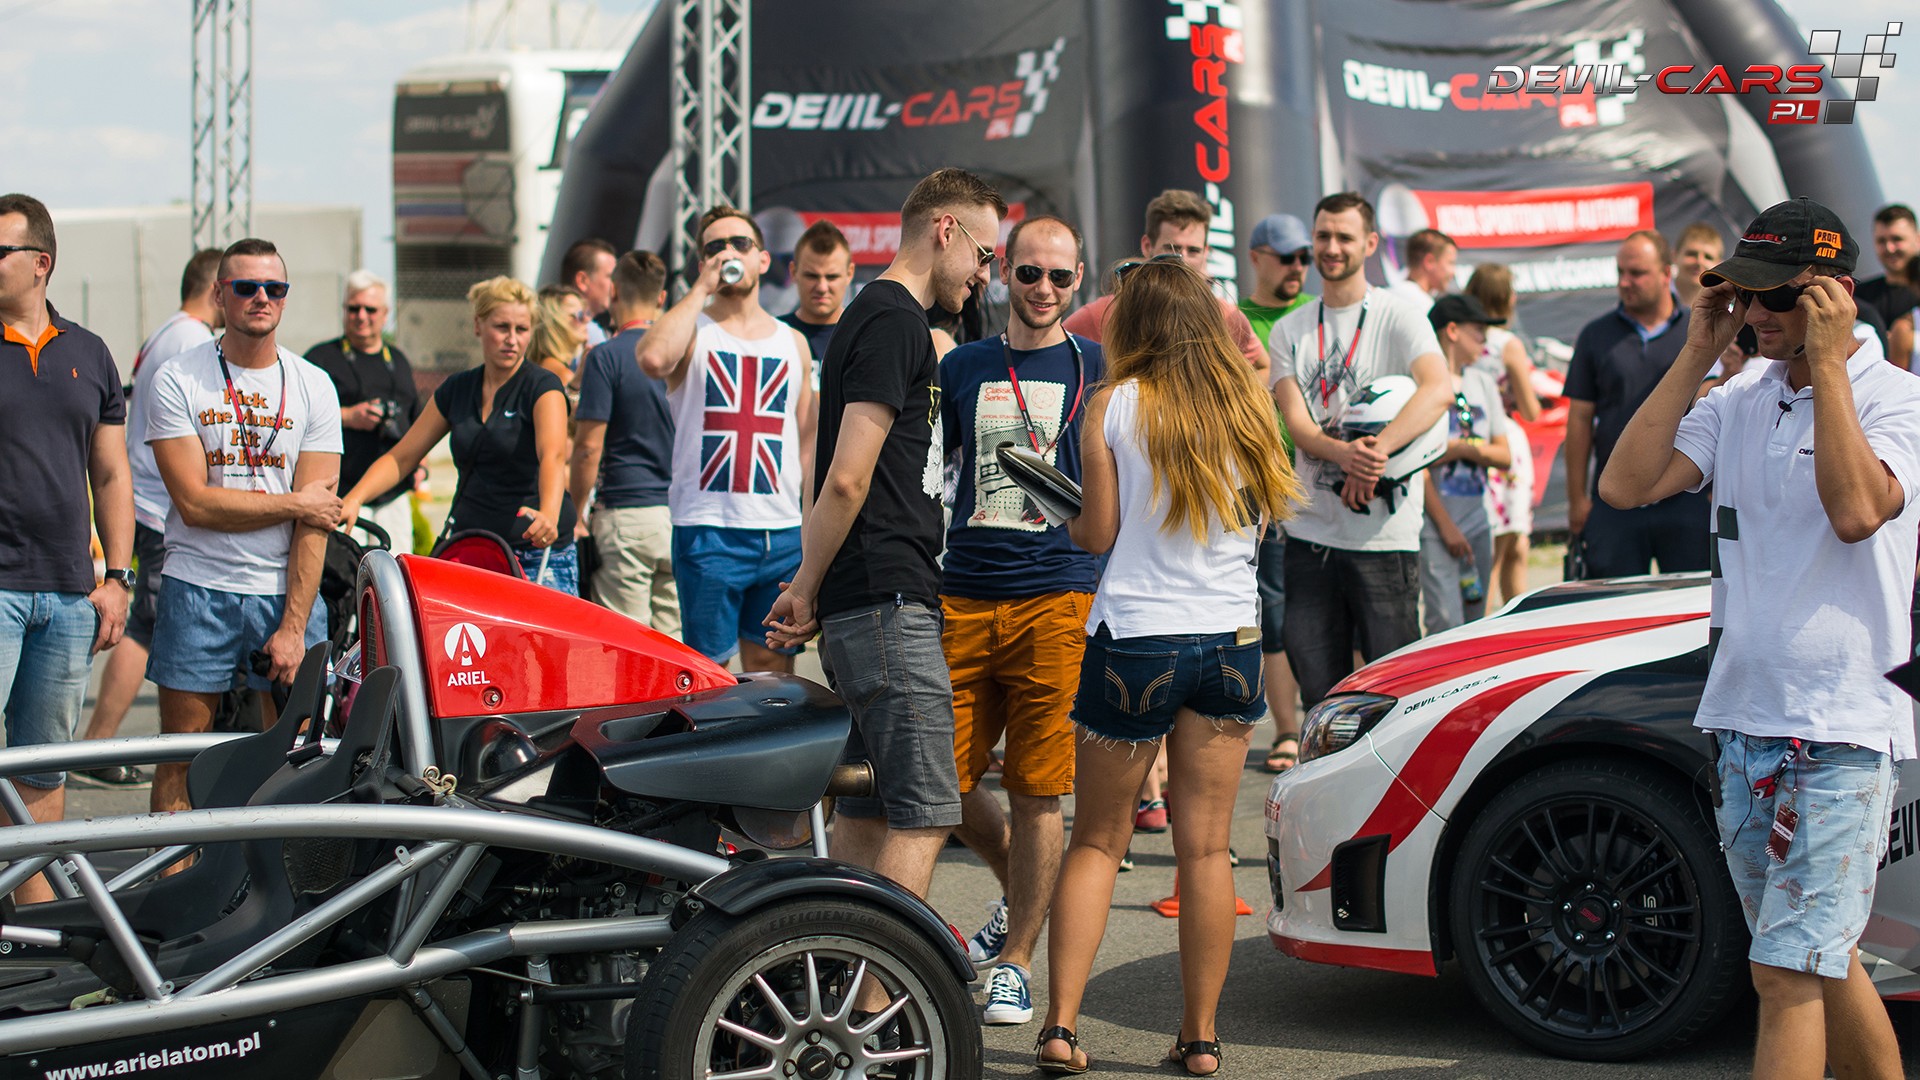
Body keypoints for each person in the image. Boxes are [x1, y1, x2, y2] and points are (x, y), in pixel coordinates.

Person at [1599, 196, 1919, 1080]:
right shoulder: (1740, 393)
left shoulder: (1900, 398)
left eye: (1778, 296)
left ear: (1835, 295)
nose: (1757, 313)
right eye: (1745, 294)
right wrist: (1698, 348)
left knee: (1784, 973)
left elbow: (1856, 512)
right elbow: (1626, 486)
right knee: (1819, 960)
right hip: (1743, 720)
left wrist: (1832, 367)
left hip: (1842, 728)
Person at [1036, 257, 1299, 1077]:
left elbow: (1096, 534)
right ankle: (1201, 1038)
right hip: (1231, 641)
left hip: (1137, 638)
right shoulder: (1248, 407)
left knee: (1096, 842)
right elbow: (1259, 530)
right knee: (1206, 851)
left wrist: (1057, 506)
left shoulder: (1114, 404)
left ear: (1135, 326)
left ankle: (1061, 1028)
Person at [764, 167, 1005, 904]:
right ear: (945, 230)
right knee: (928, 810)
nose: (985, 275)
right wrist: (806, 586)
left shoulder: (880, 318)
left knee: (868, 811)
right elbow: (844, 477)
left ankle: (841, 960)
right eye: (985, 255)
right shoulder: (893, 320)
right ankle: (879, 975)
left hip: (873, 600)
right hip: (886, 602)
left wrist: (815, 587)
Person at [937, 214, 1103, 1026]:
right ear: (1003, 271)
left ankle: (1017, 962)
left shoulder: (1098, 367)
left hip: (1057, 596)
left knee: (1040, 791)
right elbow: (932, 473)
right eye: (1029, 272)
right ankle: (1019, 895)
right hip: (964, 591)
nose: (1043, 288)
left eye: (1059, 276)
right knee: (943, 783)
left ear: (1079, 280)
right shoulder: (963, 365)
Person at [146, 238, 342, 817]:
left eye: (274, 288)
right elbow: (195, 505)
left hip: (285, 591)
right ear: (218, 294)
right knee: (181, 758)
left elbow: (317, 523)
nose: (261, 298)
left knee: (295, 761)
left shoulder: (313, 384)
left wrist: (294, 625)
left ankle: (274, 877)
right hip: (197, 585)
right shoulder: (179, 378)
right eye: (246, 287)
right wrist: (295, 503)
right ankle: (173, 872)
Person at [0, 193, 133, 902]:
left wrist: (118, 578)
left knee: (42, 769)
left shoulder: (89, 353)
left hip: (68, 595)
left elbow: (111, 474)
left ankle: (34, 927)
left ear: (40, 263)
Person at [1269, 192, 1450, 709]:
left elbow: (1437, 389)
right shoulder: (1290, 329)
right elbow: (1297, 425)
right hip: (1310, 538)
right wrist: (1342, 455)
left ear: (1370, 244)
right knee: (1321, 697)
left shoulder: (1401, 315)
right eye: (1323, 236)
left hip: (1384, 540)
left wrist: (1375, 453)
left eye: (1344, 237)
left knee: (1396, 698)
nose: (1331, 247)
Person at [639, 206, 815, 670]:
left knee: (773, 675)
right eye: (715, 247)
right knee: (709, 672)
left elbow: (805, 441)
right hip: (708, 531)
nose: (728, 253)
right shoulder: (692, 331)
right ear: (702, 263)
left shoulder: (792, 342)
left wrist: (807, 527)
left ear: (762, 259)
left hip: (780, 533)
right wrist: (701, 289)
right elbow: (652, 359)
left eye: (740, 243)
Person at [75, 248, 222, 787]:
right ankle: (98, 744)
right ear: (216, 289)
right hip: (162, 504)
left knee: (146, 621)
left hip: (149, 497)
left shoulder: (167, 331)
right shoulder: (190, 339)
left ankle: (97, 744)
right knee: (149, 624)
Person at [342, 277, 577, 593]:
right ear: (478, 325)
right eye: (501, 327)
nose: (512, 339)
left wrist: (549, 513)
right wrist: (354, 498)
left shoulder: (543, 386)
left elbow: (553, 455)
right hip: (473, 552)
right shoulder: (458, 388)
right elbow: (402, 456)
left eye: (521, 329)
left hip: (534, 554)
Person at [1564, 230, 1710, 578]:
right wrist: (1577, 499)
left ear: (1666, 273)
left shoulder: (1700, 332)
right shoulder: (1595, 335)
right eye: (1620, 273)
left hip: (1685, 497)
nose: (1625, 282)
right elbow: (1579, 420)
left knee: (1693, 603)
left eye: (1637, 273)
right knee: (1610, 603)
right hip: (1615, 499)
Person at [1240, 212, 1313, 773]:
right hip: (1267, 488)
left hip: (1328, 487)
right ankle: (1288, 729)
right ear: (1256, 258)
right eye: (1287, 257)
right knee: (1277, 610)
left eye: (1304, 257)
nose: (1298, 267)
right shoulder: (1236, 321)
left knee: (1333, 606)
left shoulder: (1318, 315)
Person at [571, 251, 678, 631]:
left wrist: (576, 511)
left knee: (627, 643)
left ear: (613, 291)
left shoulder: (605, 357)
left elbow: (588, 447)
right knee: (675, 645)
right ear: (661, 298)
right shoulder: (682, 355)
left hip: (625, 513)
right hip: (680, 515)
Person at [1064, 189, 1268, 375]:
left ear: (1206, 253)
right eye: (1172, 248)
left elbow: (1262, 365)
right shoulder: (1103, 314)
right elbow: (1056, 355)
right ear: (1147, 246)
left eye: (1193, 251)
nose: (1182, 260)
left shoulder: (1225, 315)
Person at [304, 270, 419, 551]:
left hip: (392, 495)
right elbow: (298, 416)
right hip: (341, 492)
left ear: (385, 314)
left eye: (370, 309)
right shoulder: (321, 358)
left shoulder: (398, 361)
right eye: (353, 308)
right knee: (348, 570)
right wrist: (347, 416)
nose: (361, 316)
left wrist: (422, 466)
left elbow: (417, 420)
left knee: (397, 568)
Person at [1418, 295, 1511, 632]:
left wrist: (1462, 448)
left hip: (1478, 522)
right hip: (1435, 526)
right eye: (1478, 331)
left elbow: (1504, 456)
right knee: (1444, 622)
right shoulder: (1422, 384)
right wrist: (1446, 527)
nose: (1485, 341)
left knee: (1476, 622)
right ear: (1452, 331)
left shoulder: (1483, 382)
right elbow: (1417, 463)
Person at [1462, 264, 1541, 607]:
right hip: (1504, 441)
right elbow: (1531, 410)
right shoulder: (1507, 344)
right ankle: (1494, 625)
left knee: (1506, 545)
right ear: (1506, 298)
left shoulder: (1460, 336)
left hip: (1469, 438)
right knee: (1504, 548)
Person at [778, 219, 854, 364]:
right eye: (812, 276)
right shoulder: (773, 336)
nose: (822, 288)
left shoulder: (865, 336)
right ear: (793, 272)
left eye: (832, 277)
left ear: (849, 274)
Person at [1857, 204, 1918, 369]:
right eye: (1881, 241)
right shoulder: (1858, 297)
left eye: (1897, 239)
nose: (1889, 248)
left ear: (1918, 239)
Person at [530, 283, 591, 388]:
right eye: (579, 315)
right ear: (555, 323)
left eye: (585, 313)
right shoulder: (562, 375)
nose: (587, 319)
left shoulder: (541, 366)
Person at [561, 237, 618, 347]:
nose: (616, 285)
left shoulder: (545, 322)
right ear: (582, 280)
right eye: (610, 277)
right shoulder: (592, 335)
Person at [1387, 228, 1456, 309]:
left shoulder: (1388, 296)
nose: (1453, 272)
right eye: (1450, 262)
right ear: (1429, 262)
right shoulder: (1423, 305)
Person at [1673, 222, 1725, 310]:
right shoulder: (1653, 296)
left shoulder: (1725, 312)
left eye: (1708, 257)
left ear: (1719, 265)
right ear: (1674, 256)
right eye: (1692, 254)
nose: (1699, 262)